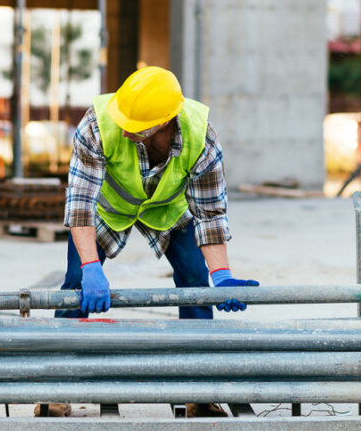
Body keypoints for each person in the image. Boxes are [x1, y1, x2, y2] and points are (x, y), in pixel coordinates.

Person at [34, 66, 259, 418]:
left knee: (197, 284)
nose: (123, 129)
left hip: (169, 207)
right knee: (76, 284)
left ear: (166, 123)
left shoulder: (203, 139)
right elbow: (78, 206)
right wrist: (91, 266)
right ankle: (56, 386)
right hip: (108, 208)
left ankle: (200, 391)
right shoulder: (96, 126)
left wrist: (223, 275)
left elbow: (211, 215)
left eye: (135, 126)